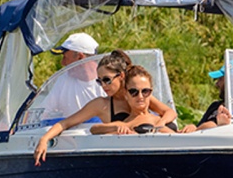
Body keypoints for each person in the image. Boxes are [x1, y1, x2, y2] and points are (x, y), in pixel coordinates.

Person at [34, 52, 178, 165]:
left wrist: (160, 124)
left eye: (107, 80)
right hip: (122, 157)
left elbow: (170, 112)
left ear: (121, 76)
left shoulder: (137, 94)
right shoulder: (101, 104)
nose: (103, 86)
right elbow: (66, 123)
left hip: (149, 150)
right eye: (99, 81)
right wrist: (44, 139)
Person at [40, 32, 106, 120]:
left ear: (80, 57)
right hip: (71, 132)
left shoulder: (108, 81)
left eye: (65, 58)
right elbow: (44, 111)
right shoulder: (63, 80)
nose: (62, 63)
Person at [180, 60, 233, 132]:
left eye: (220, 79)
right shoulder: (215, 106)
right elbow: (199, 130)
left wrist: (198, 129)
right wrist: (193, 128)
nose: (217, 84)